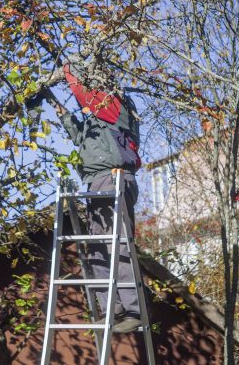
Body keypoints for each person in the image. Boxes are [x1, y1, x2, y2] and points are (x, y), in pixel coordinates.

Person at [44, 63, 143, 334]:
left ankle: (133, 310)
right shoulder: (96, 119)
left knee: (118, 245)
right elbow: (79, 136)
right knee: (97, 248)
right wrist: (55, 105)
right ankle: (112, 309)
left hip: (115, 179)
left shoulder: (114, 103)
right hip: (97, 183)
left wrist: (66, 68)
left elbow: (82, 93)